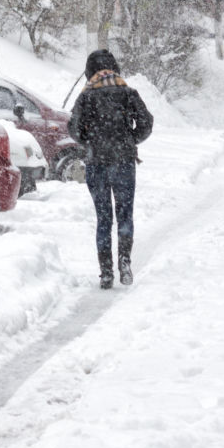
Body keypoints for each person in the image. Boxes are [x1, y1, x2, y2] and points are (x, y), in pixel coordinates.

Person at [68, 49, 154, 289]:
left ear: (89, 71)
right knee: (125, 214)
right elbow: (147, 122)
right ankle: (125, 262)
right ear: (114, 67)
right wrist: (130, 140)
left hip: (97, 164)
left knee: (103, 218)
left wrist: (91, 141)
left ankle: (106, 272)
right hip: (124, 162)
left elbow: (73, 129)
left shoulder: (85, 96)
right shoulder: (127, 92)